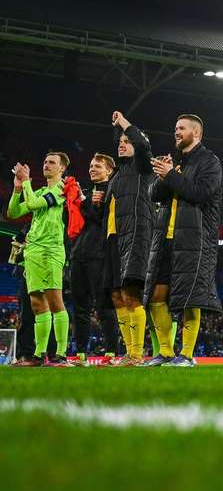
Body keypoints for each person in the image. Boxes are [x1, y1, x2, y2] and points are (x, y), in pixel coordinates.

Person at [144, 114, 223, 367]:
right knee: (156, 296)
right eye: (175, 128)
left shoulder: (210, 162)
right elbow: (154, 194)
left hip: (194, 240)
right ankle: (166, 352)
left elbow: (200, 193)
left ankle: (187, 355)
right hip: (166, 238)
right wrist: (164, 176)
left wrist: (171, 175)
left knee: (191, 297)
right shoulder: (175, 161)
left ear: (196, 133)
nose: (176, 132)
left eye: (181, 128)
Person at [102, 112, 156, 367]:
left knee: (131, 293)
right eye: (120, 141)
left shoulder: (143, 166)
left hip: (136, 233)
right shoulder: (117, 175)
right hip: (114, 238)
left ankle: (136, 353)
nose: (122, 144)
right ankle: (128, 353)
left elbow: (143, 145)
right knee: (116, 296)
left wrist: (124, 123)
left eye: (127, 141)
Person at [7, 152, 72, 366]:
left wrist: (26, 181)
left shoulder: (61, 189)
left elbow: (34, 205)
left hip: (51, 250)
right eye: (44, 161)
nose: (46, 165)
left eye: (52, 162)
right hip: (32, 252)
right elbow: (13, 212)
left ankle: (61, 355)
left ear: (62, 168)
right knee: (37, 304)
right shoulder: (42, 191)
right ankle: (38, 355)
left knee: (55, 301)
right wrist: (18, 189)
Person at [70, 152, 119, 364]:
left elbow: (103, 221)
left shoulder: (114, 192)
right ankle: (81, 353)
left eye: (97, 166)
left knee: (104, 305)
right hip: (79, 254)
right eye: (91, 165)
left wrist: (87, 203)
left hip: (100, 256)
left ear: (109, 171)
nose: (92, 169)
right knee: (80, 307)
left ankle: (111, 353)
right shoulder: (88, 193)